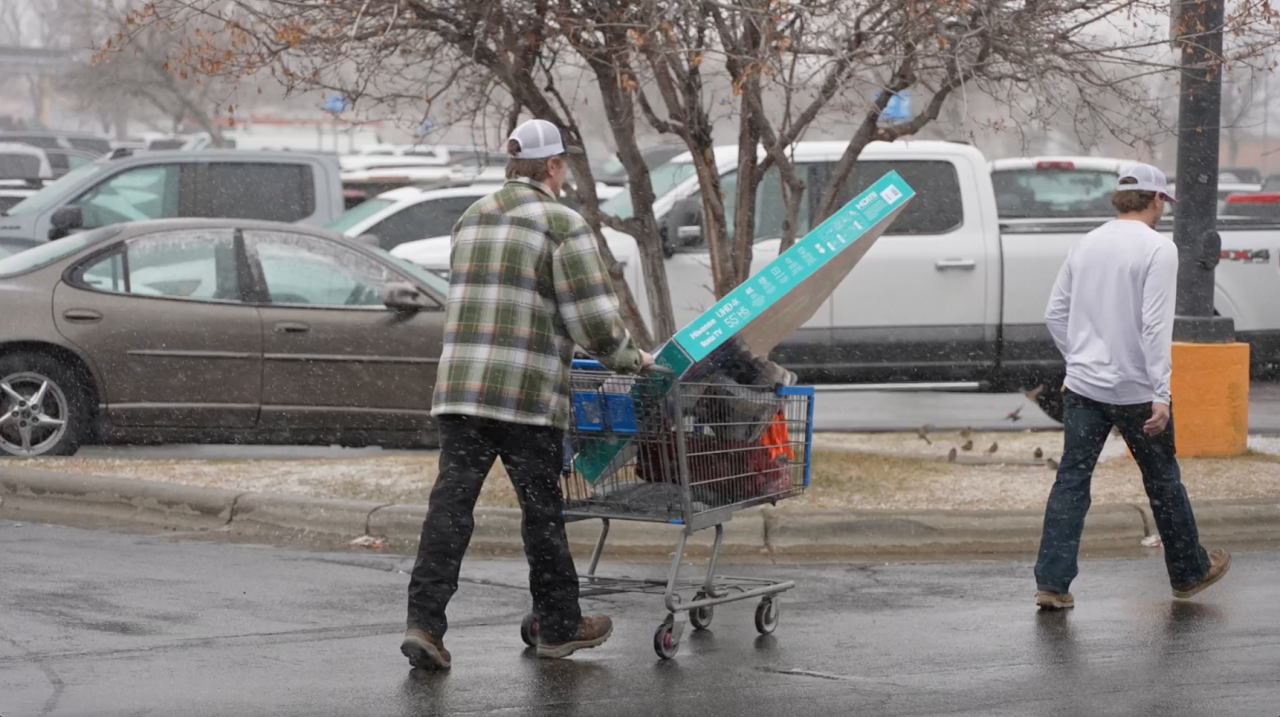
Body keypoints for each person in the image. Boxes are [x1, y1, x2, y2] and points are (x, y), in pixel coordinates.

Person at [401, 119, 654, 668]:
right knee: (542, 513)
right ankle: (559, 626)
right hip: (526, 395)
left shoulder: (471, 219)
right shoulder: (562, 224)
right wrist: (632, 361)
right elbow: (593, 319)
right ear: (555, 167)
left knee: (450, 508)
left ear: (513, 164)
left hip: (462, 391)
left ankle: (424, 624)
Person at [1035, 163, 1231, 610]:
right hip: (1137, 392)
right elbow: (1155, 326)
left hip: (1083, 387)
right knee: (1162, 481)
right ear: (1157, 199)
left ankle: (1052, 583)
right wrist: (1160, 393)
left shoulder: (1085, 244)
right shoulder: (1158, 249)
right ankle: (1188, 572)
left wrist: (1080, 359)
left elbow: (1054, 314)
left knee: (1072, 480)